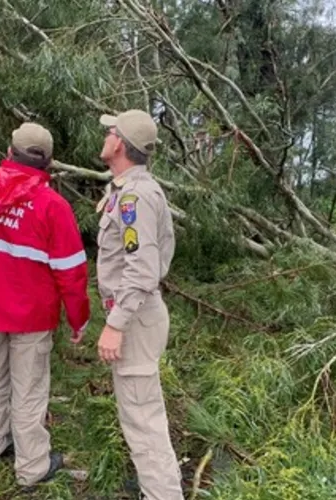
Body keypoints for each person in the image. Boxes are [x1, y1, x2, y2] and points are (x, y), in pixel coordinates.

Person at [0, 122, 90, 487]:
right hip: (32, 315)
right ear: (49, 163)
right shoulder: (53, 206)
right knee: (28, 389)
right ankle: (32, 468)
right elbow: (71, 273)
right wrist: (79, 319)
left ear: (8, 152)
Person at [93, 109, 183, 500]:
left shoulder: (135, 196)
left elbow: (143, 269)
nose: (105, 136)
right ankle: (155, 483)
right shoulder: (126, 190)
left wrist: (116, 324)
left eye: (110, 132)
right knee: (140, 410)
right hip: (136, 313)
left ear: (120, 144)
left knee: (143, 418)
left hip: (135, 317)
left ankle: (162, 493)